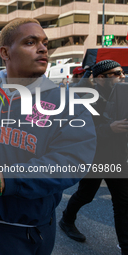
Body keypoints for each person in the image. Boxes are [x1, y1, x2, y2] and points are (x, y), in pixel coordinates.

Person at [0, 18, 96, 255]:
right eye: (30, 42)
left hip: (34, 227)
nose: (43, 48)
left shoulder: (69, 104)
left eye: (45, 42)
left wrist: (1, 179)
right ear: (5, 52)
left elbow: (72, 162)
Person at [59, 60, 128, 255]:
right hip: (95, 157)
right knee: (86, 195)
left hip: (117, 157)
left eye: (122, 72)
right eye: (116, 73)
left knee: (122, 203)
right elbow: (77, 129)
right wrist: (109, 128)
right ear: (100, 78)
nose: (122, 76)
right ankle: (66, 219)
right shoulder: (85, 98)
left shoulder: (123, 94)